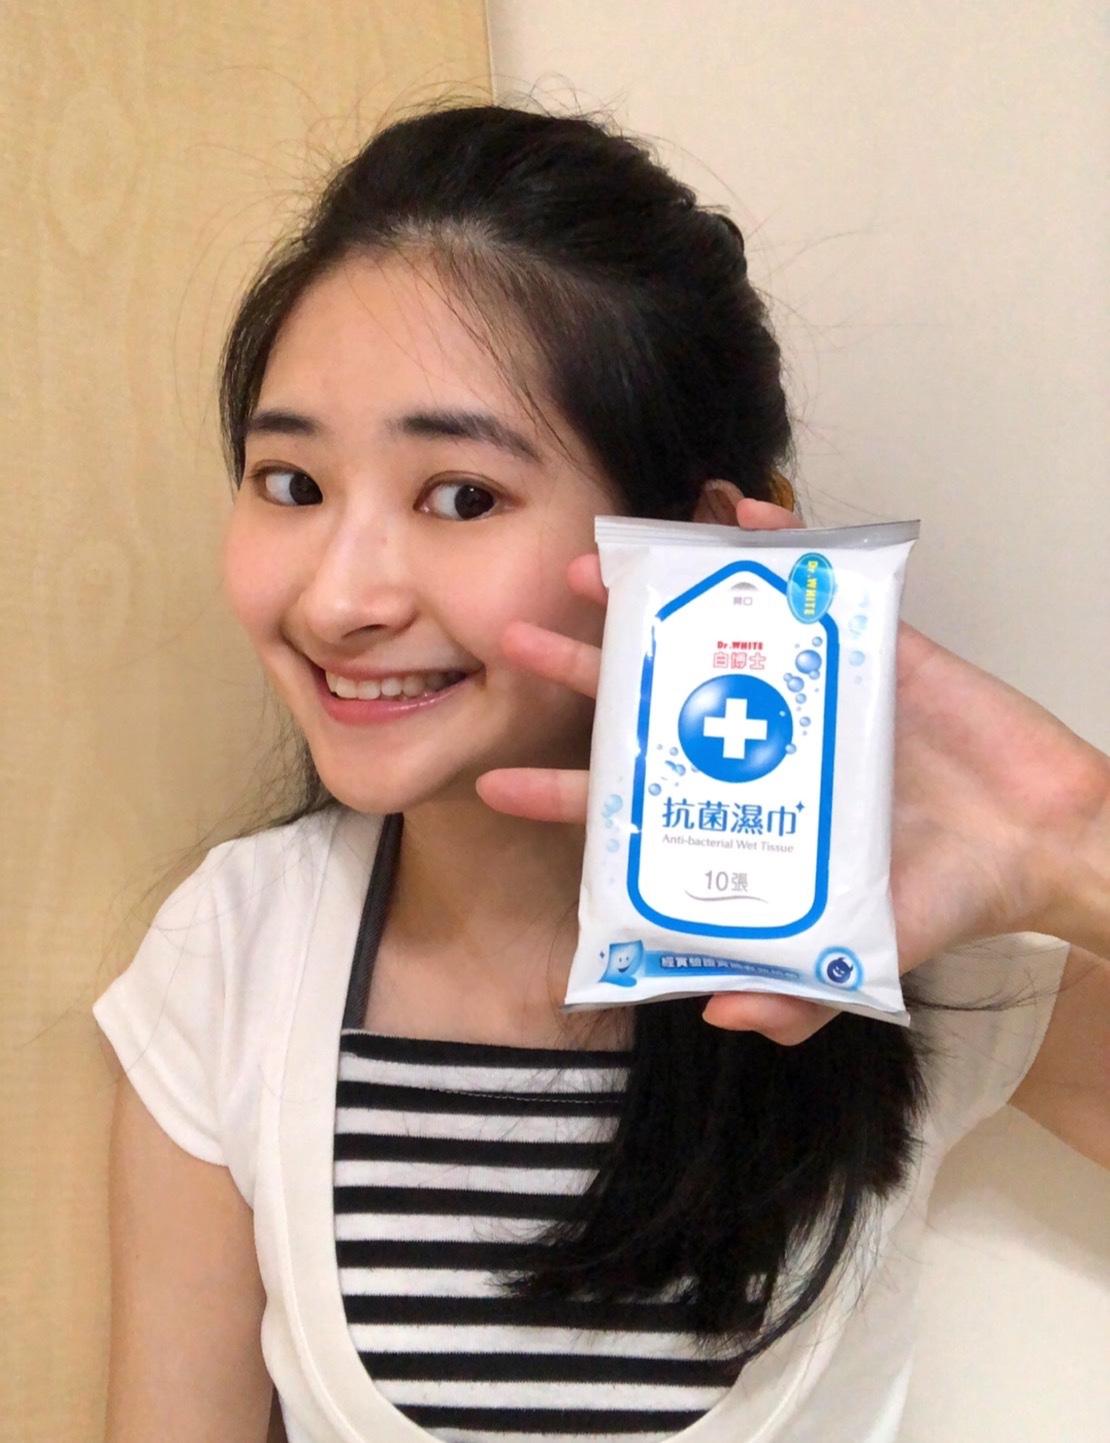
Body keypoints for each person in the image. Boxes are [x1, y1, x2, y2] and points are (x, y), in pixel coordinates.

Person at [92, 99, 1109, 1443]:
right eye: (291, 484)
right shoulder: (233, 955)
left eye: (461, 496)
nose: (337, 599)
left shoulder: (898, 944)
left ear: (697, 540)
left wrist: (1077, 841)